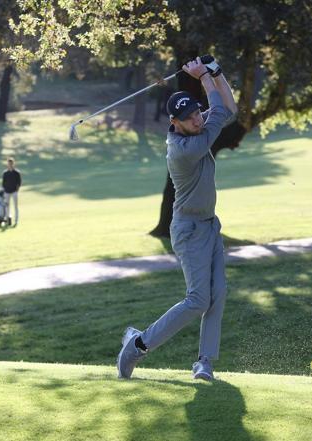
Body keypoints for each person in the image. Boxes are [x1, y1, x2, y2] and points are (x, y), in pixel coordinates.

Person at [117, 56, 237, 381]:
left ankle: (205, 363)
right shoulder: (185, 149)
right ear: (175, 123)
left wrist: (216, 72)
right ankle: (137, 345)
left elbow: (229, 108)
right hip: (188, 230)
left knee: (218, 294)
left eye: (198, 111)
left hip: (210, 225)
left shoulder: (198, 127)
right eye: (189, 117)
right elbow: (221, 112)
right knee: (198, 299)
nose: (198, 119)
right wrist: (203, 77)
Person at [2, 157, 22, 226]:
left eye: (11, 163)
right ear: (7, 164)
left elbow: (19, 183)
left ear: (13, 164)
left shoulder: (17, 173)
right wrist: (4, 190)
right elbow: (3, 183)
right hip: (7, 192)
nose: (10, 164)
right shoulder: (5, 173)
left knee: (15, 207)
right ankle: (7, 221)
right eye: (9, 163)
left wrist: (17, 190)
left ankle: (16, 221)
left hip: (14, 192)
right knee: (7, 207)